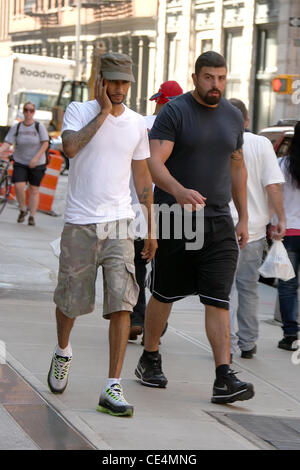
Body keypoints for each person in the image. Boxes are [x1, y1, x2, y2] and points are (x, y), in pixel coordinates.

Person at [135, 51, 255, 405]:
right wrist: (178, 191)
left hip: (218, 219)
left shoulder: (233, 117)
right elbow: (153, 163)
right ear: (195, 77)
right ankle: (150, 357)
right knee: (165, 293)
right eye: (208, 78)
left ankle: (223, 377)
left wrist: (244, 216)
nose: (215, 84)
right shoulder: (175, 112)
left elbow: (237, 167)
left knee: (218, 298)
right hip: (176, 216)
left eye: (220, 78)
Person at [47, 52, 157, 417]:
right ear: (100, 81)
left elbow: (142, 177)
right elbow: (71, 148)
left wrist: (151, 227)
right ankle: (63, 350)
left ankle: (112, 385)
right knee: (70, 300)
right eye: (113, 81)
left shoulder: (138, 124)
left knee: (122, 300)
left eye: (125, 82)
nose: (120, 89)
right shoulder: (79, 111)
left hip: (119, 223)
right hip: (79, 222)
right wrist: (104, 112)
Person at [228, 98, 286, 359]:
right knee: (248, 288)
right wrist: (279, 219)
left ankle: (225, 344)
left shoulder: (219, 141)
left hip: (222, 227)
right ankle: (248, 342)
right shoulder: (262, 144)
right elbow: (273, 186)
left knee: (223, 290)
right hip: (253, 230)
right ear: (247, 120)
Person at [129, 80, 183, 342]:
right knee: (166, 267)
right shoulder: (185, 126)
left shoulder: (140, 124)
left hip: (139, 204)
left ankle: (138, 317)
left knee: (138, 263)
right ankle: (157, 322)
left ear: (161, 101)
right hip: (171, 205)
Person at [273, 121, 300, 351]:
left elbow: (275, 198)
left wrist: (273, 225)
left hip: (287, 231)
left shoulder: (282, 165)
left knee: (287, 285)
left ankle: (290, 334)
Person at [0, 102, 49, 226]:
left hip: (37, 163)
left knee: (34, 189)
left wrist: (36, 158)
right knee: (19, 186)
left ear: (34, 112)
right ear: (23, 111)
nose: (28, 113)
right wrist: (1, 150)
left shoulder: (39, 127)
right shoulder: (17, 127)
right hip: (20, 161)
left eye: (31, 110)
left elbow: (45, 143)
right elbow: (8, 142)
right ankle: (23, 208)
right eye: (26, 110)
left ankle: (32, 216)